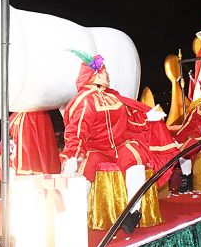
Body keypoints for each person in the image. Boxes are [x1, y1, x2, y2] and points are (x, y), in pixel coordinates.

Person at [60, 52, 178, 234]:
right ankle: (76, 214)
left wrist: (147, 117)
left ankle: (133, 212)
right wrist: (72, 156)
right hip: (95, 148)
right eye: (106, 72)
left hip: (120, 145)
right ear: (97, 75)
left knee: (135, 156)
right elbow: (77, 130)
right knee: (84, 168)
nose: (108, 76)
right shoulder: (85, 101)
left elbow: (129, 121)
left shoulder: (113, 97)